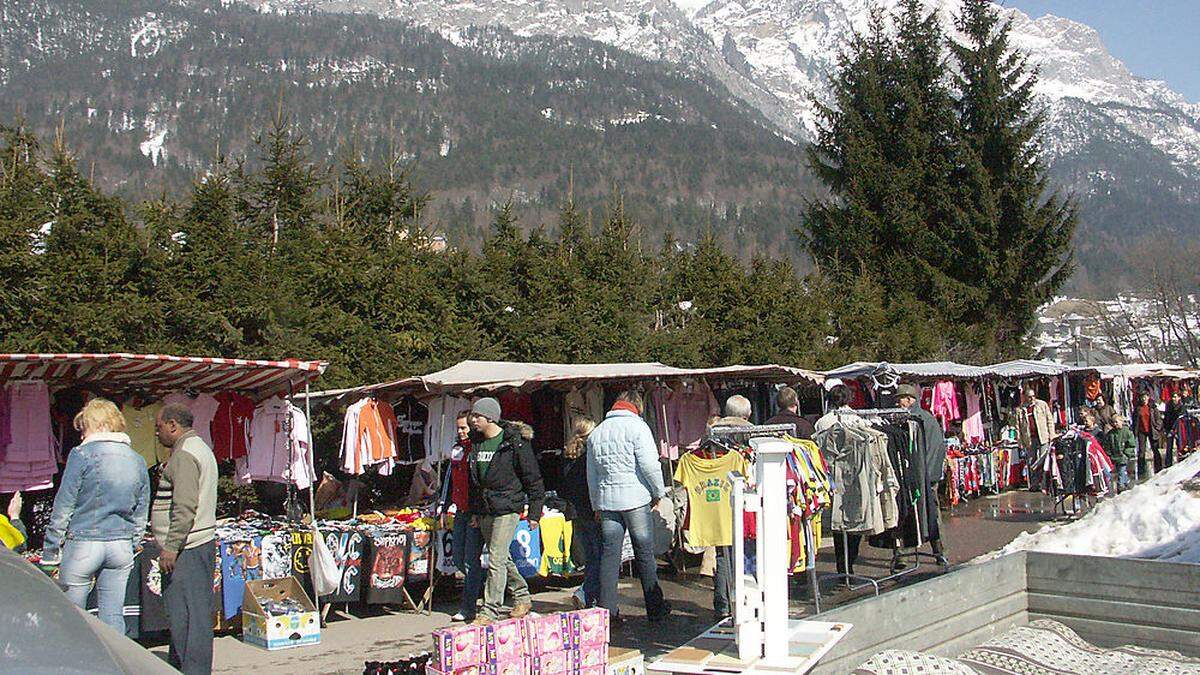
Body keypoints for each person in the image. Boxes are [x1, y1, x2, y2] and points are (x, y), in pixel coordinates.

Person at [41, 399, 149, 635]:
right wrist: (132, 543)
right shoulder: (137, 460)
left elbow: (63, 506)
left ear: (99, 425)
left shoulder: (81, 454)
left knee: (73, 622)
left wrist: (50, 554)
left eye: (84, 428)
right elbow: (141, 511)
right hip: (120, 546)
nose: (81, 435)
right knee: (113, 619)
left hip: (84, 542)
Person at [587, 390, 671, 624]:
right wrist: (658, 492)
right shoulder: (638, 428)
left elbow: (591, 474)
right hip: (635, 498)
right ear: (637, 406)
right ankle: (655, 606)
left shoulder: (597, 432)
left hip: (606, 501)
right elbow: (650, 465)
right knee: (644, 551)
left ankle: (608, 612)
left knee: (609, 555)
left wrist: (596, 503)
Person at [466, 397, 544, 626]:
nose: (473, 420)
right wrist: (474, 511)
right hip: (486, 508)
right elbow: (474, 481)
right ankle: (522, 596)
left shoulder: (514, 442)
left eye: (477, 416)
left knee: (495, 559)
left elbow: (533, 478)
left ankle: (489, 610)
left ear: (490, 417)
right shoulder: (476, 443)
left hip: (508, 507)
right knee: (501, 557)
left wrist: (535, 512)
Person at [153, 403, 218, 675]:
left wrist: (171, 546)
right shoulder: (199, 448)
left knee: (187, 618)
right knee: (193, 615)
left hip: (187, 548)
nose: (156, 433)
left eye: (159, 427)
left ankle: (193, 669)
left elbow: (185, 506)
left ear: (172, 425)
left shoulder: (185, 455)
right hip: (195, 544)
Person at [709, 395, 753, 618]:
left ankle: (723, 602)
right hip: (743, 496)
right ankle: (746, 600)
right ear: (746, 414)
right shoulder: (751, 432)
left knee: (722, 551)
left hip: (715, 497)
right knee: (746, 549)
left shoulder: (712, 432)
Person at [895, 384, 948, 569]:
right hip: (914, 476)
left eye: (900, 399)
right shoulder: (911, 419)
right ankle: (903, 555)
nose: (897, 403)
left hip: (924, 476)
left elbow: (935, 450)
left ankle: (939, 552)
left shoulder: (923, 419)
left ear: (909, 399)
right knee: (907, 514)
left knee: (931, 514)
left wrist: (927, 476)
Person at [443, 411, 484, 622]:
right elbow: (449, 479)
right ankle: (484, 585)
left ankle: (468, 607)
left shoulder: (477, 449)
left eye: (463, 428)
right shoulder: (457, 449)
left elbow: (479, 483)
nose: (460, 432)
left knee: (470, 561)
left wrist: (477, 510)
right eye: (458, 428)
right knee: (458, 558)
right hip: (459, 510)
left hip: (474, 512)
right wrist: (443, 505)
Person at [560, 417, 600, 609]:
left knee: (590, 556)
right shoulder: (589, 455)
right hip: (589, 510)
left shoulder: (568, 455)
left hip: (574, 511)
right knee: (598, 557)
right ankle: (586, 593)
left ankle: (589, 595)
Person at [1016, 387, 1055, 484]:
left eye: (1033, 396)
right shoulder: (1020, 409)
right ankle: (1034, 482)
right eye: (1029, 397)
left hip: (1043, 436)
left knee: (1043, 458)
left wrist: (1052, 434)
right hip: (1029, 438)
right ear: (1025, 397)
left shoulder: (1042, 405)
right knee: (1031, 460)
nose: (1032, 399)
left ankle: (1044, 482)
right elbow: (1018, 427)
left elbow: (1049, 420)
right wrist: (1020, 441)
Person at [1134, 391, 1164, 479]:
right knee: (1141, 451)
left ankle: (1159, 468)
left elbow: (1158, 419)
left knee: (1155, 449)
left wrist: (1158, 428)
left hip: (1152, 430)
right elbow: (1135, 419)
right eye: (1142, 397)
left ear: (1148, 397)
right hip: (1141, 431)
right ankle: (1141, 471)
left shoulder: (1153, 407)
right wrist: (1135, 431)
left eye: (1145, 397)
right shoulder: (1138, 408)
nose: (1143, 399)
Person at [1102, 417, 1136, 493]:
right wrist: (1109, 454)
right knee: (1119, 472)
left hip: (1123, 456)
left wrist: (1126, 454)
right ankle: (1126, 481)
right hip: (1114, 457)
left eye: (1116, 422)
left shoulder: (1126, 432)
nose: (1115, 424)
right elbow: (1107, 445)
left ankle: (1120, 487)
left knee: (1121, 471)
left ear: (1121, 422)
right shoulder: (1111, 434)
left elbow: (1131, 444)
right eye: (1113, 422)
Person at [1164, 390, 1184, 469]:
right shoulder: (1168, 405)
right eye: (1173, 397)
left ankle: (1181, 460)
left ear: (1179, 398)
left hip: (1178, 428)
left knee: (1180, 445)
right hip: (1169, 428)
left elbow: (1181, 418)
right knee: (1169, 446)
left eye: (1175, 397)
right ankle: (1168, 464)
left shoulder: (1182, 406)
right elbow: (1166, 417)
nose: (1174, 398)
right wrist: (1165, 428)